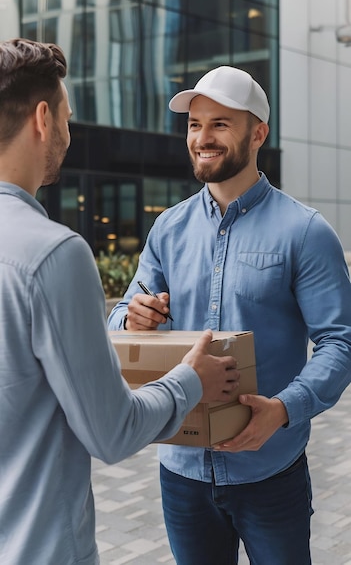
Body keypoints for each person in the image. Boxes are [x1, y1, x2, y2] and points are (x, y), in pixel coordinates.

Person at [0, 40, 239, 565]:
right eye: (67, 114)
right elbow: (112, 432)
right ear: (43, 119)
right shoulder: (53, 254)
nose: (68, 128)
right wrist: (189, 377)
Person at [108, 65, 351, 565]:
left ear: (258, 133)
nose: (202, 137)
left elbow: (340, 343)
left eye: (220, 123)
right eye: (195, 125)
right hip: (181, 473)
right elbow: (121, 320)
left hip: (271, 473)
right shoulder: (168, 230)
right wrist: (134, 319)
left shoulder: (305, 232)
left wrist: (284, 411)